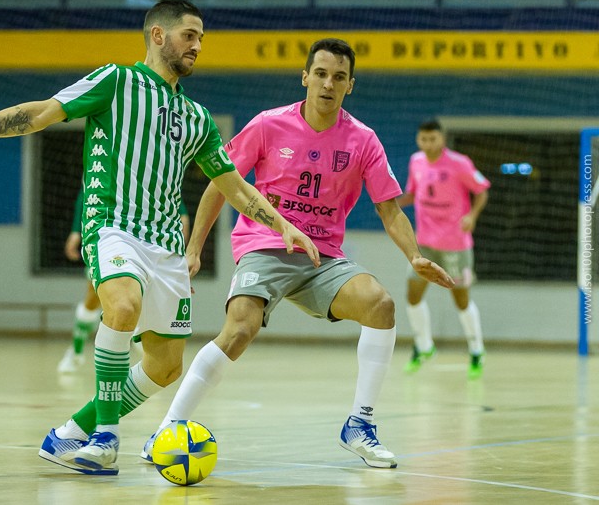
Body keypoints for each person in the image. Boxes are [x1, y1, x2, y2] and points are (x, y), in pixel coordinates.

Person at [0, 0, 319, 476]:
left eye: (202, 38)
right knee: (122, 306)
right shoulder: (116, 81)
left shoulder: (198, 119)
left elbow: (232, 185)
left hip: (165, 244)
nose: (198, 46)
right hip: (111, 225)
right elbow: (40, 113)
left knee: (164, 367)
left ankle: (69, 433)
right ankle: (105, 437)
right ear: (158, 35)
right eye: (190, 35)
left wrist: (283, 224)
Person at [142, 38, 455, 470]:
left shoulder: (363, 140)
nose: (329, 83)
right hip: (264, 244)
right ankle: (168, 429)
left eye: (339, 77)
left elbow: (387, 208)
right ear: (305, 77)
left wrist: (414, 256)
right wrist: (193, 249)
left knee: (381, 305)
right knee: (239, 331)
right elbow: (219, 183)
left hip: (321, 258)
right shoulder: (270, 124)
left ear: (350, 86)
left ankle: (360, 425)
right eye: (321, 74)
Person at [397, 119, 490, 379]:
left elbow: (482, 191)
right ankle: (424, 347)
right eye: (423, 139)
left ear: (442, 139)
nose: (428, 144)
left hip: (455, 246)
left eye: (433, 139)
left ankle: (476, 350)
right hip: (424, 243)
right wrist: (391, 203)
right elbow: (413, 193)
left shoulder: (459, 163)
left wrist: (472, 215)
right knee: (412, 295)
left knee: (460, 299)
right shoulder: (416, 161)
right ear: (418, 140)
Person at [57, 192, 191, 373]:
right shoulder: (109, 170)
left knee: (135, 307)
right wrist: (76, 231)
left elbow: (181, 213)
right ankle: (77, 350)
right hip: (112, 241)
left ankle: (144, 366)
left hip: (148, 247)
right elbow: (86, 195)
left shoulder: (157, 175)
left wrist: (178, 254)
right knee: (93, 300)